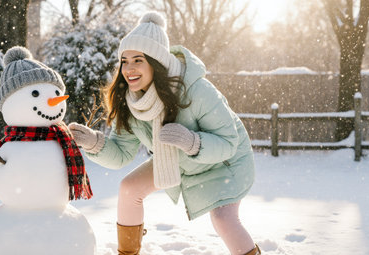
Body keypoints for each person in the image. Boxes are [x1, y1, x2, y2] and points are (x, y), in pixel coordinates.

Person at [69, 11, 260, 255]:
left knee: (223, 219)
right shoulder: (130, 101)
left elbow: (228, 142)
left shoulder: (196, 90)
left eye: (138, 60)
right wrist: (94, 143)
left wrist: (192, 142)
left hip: (227, 161)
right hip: (176, 159)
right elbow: (121, 154)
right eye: (124, 61)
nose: (129, 69)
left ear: (157, 63)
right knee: (129, 189)